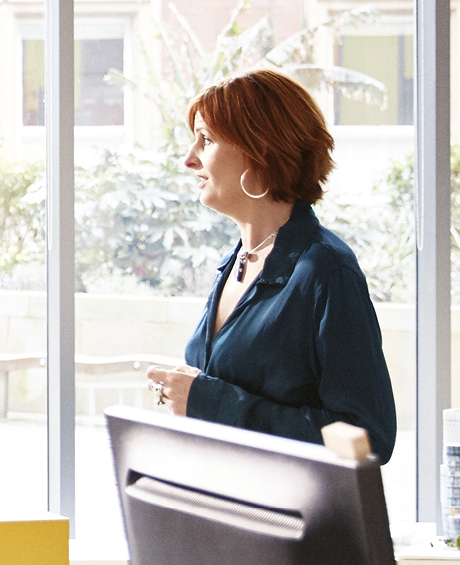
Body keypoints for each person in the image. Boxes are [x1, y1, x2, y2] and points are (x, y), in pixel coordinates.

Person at [145, 69, 396, 461]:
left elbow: (367, 437)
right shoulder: (236, 262)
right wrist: (193, 390)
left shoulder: (326, 271)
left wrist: (211, 400)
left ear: (258, 150)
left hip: (289, 503)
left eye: (206, 140)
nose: (188, 159)